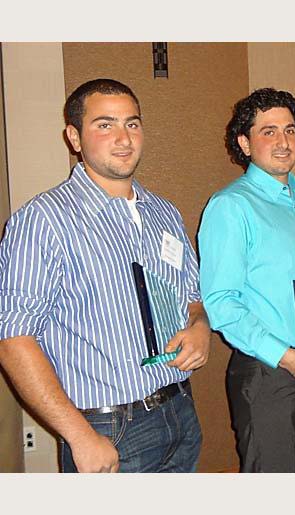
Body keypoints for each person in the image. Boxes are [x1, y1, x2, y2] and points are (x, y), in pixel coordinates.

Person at [0, 79, 211, 473]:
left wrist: (199, 325)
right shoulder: (43, 220)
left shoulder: (163, 212)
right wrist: (79, 436)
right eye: (104, 125)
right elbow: (14, 340)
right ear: (74, 137)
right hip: (108, 428)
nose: (123, 139)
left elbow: (192, 296)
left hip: (179, 411)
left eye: (132, 124)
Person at [198, 87, 295, 472]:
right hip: (269, 375)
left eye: (290, 130)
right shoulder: (231, 206)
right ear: (244, 143)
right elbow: (221, 303)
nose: (283, 141)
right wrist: (286, 357)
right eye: (268, 131)